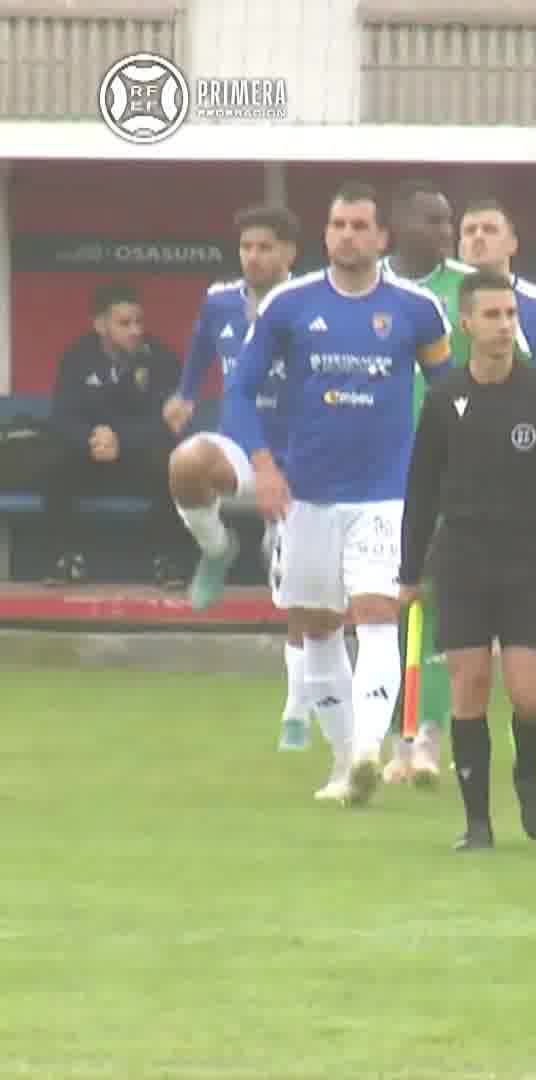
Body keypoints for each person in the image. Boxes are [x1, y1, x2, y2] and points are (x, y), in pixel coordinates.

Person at [224, 180, 454, 805]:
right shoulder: (288, 306)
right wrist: (265, 465)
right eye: (338, 225)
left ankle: (370, 749)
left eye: (360, 225)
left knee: (377, 614)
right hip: (309, 496)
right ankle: (344, 761)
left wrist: (446, 473)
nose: (348, 235)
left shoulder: (416, 310)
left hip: (387, 493)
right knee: (317, 625)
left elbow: (451, 394)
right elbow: (241, 391)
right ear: (325, 235)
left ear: (381, 237)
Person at [398, 270, 536, 851]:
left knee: (531, 698)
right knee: (470, 684)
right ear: (466, 323)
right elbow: (421, 492)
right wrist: (409, 574)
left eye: (510, 315)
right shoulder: (443, 398)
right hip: (461, 558)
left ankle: (527, 771)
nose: (504, 325)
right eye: (492, 316)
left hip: (529, 556)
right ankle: (477, 823)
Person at [163, 204, 303, 748]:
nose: (254, 256)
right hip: (242, 449)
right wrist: (185, 394)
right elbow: (200, 354)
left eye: (266, 246)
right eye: (247, 246)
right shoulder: (221, 300)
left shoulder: (307, 301)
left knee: (297, 593)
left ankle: (298, 707)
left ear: (290, 252)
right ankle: (218, 549)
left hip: (300, 459)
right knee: (185, 463)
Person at [378, 177, 478, 785]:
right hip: (377, 473)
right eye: (433, 221)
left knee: (437, 607)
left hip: (449, 473)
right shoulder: (373, 290)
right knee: (387, 608)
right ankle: (395, 734)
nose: (445, 232)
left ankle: (428, 736)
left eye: (450, 221)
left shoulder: (469, 291)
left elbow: (500, 368)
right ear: (399, 226)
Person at [40, 282, 187, 586]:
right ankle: (67, 559)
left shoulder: (161, 359)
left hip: (138, 459)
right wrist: (90, 438)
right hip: (91, 458)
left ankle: (167, 561)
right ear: (100, 325)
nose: (135, 330)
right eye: (124, 323)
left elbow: (168, 422)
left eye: (139, 322)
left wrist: (120, 438)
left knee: (173, 463)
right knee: (55, 462)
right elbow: (62, 417)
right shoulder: (77, 357)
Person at [456, 197, 536, 379]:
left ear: (512, 244)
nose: (478, 236)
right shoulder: (439, 300)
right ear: (461, 247)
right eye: (470, 231)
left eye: (490, 229)